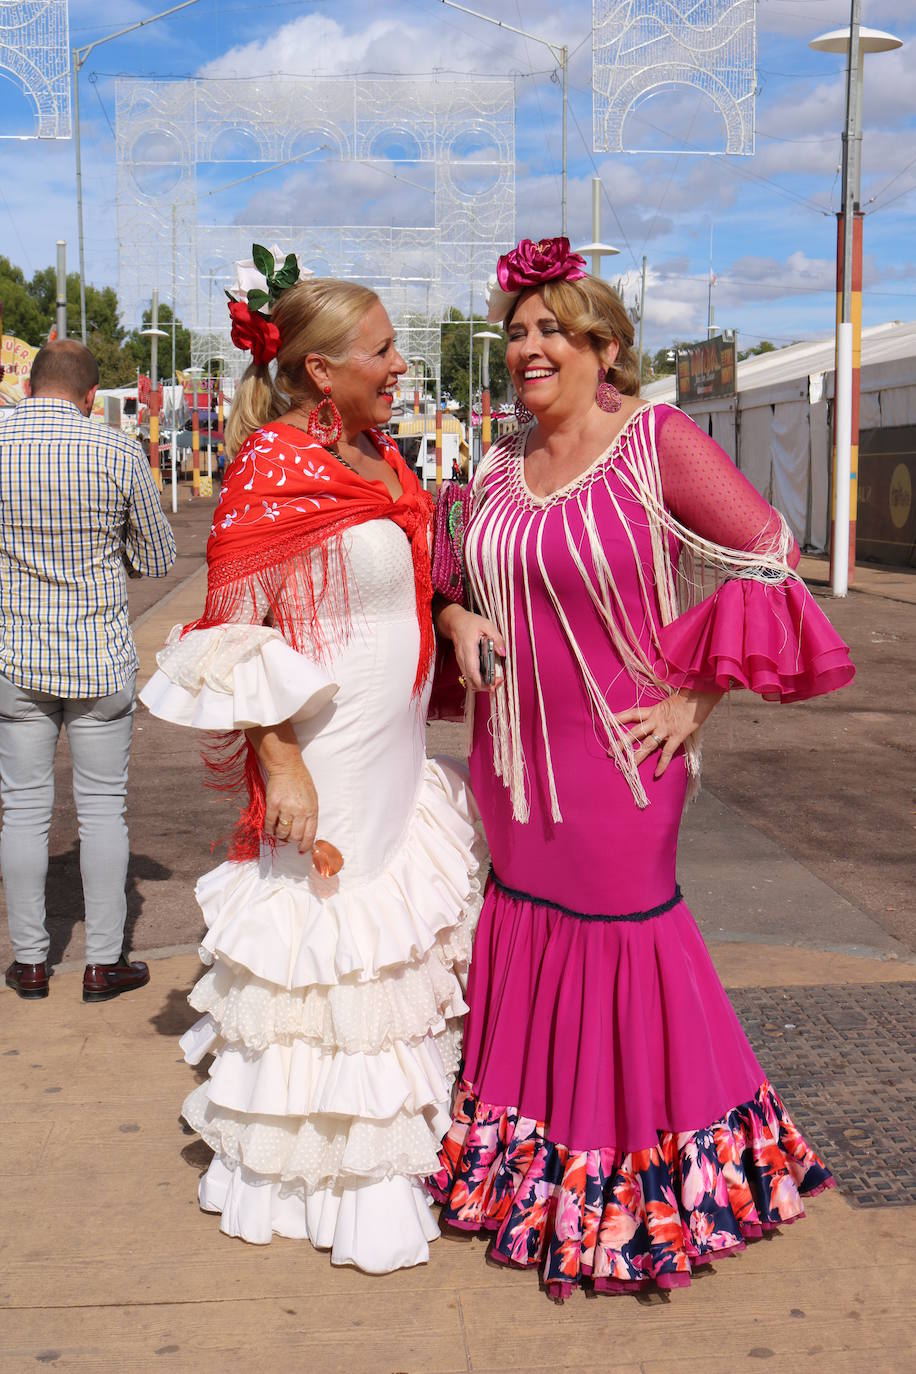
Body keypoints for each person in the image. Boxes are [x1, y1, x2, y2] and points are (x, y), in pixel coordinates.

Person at [429, 238, 855, 1299]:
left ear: (604, 348)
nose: (526, 348)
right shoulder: (488, 469)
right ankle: (526, 1178)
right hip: (511, 762)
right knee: (521, 926)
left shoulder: (653, 442)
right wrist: (454, 613)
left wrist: (692, 696)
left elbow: (769, 549)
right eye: (516, 332)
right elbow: (448, 572)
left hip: (624, 760)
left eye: (550, 332)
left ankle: (639, 1188)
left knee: (626, 943)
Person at [140, 250, 484, 1274]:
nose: (400, 364)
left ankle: (392, 1150)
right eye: (381, 349)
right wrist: (278, 760)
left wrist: (454, 611)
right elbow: (231, 632)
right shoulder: (269, 464)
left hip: (395, 747)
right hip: (325, 750)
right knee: (329, 940)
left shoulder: (384, 457)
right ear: (321, 370)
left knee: (385, 953)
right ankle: (326, 1179)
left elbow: (409, 586)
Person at [0, 339, 176, 1002]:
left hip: (15, 656)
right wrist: (109, 553)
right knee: (102, 809)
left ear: (29, 387)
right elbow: (158, 558)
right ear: (88, 397)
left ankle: (32, 963)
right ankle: (104, 964)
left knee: (22, 809)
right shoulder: (118, 448)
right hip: (98, 657)